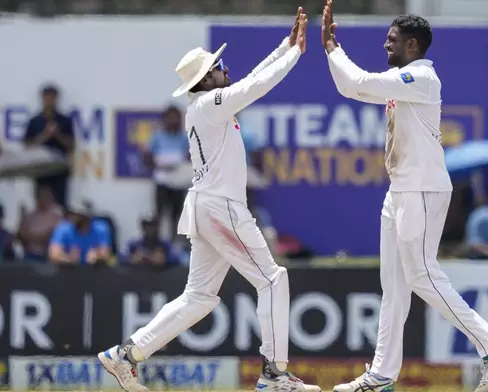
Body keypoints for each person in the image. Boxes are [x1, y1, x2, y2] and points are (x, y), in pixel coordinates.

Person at [97, 9, 319, 392]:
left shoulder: (206, 105)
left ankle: (126, 355)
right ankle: (274, 374)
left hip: (205, 206)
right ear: (206, 79)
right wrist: (297, 53)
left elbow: (250, 80)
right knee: (272, 278)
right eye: (219, 66)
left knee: (198, 297)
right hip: (221, 207)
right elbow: (255, 87)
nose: (225, 69)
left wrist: (285, 45)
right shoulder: (211, 103)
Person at [321, 2, 488, 392]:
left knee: (422, 274)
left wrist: (333, 48)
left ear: (412, 44)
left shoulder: (421, 78)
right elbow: (351, 87)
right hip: (400, 190)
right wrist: (330, 48)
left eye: (392, 40)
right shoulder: (401, 79)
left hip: (423, 189)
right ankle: (382, 375)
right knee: (393, 287)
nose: (385, 44)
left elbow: (361, 82)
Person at [23, 85, 75, 208]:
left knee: (61, 207)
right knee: (41, 207)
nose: (50, 101)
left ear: (57, 99)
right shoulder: (34, 121)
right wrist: (45, 136)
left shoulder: (65, 120)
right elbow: (27, 146)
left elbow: (71, 145)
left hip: (59, 171)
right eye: (47, 98)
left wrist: (57, 134)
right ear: (42, 99)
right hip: (40, 170)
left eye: (53, 98)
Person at [144, 106, 190, 241]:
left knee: (176, 215)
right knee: (159, 213)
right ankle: (156, 243)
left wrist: (178, 165)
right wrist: (159, 165)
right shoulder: (157, 137)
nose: (173, 120)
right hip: (162, 180)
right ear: (165, 119)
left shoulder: (184, 137)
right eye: (170, 117)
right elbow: (147, 157)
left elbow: (190, 157)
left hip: (178, 181)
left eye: (175, 117)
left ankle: (173, 243)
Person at [17, 185, 64, 263]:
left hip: (48, 255)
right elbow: (22, 234)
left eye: (47, 197)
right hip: (30, 254)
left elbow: (53, 234)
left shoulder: (57, 214)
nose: (44, 199)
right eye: (42, 197)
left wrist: (35, 237)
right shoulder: (29, 215)